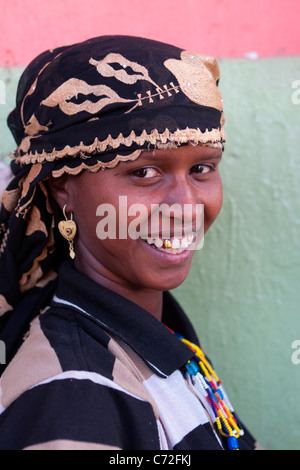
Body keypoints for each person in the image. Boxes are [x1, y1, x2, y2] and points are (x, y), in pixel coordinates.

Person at [0, 35, 259, 450]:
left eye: (202, 168)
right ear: (62, 186)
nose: (187, 206)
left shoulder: (158, 335)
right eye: (144, 173)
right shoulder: (75, 395)